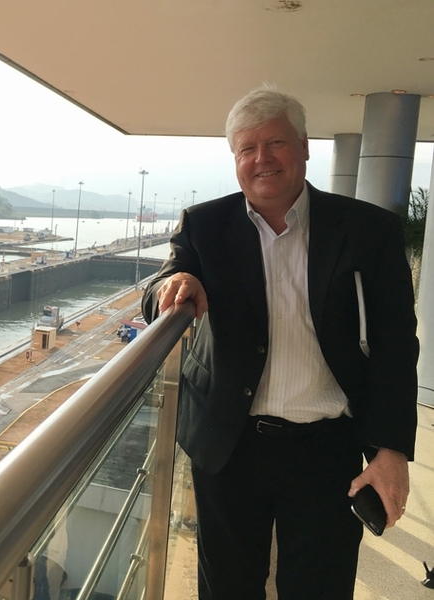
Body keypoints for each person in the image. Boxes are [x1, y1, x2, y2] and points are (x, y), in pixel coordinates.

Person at [142, 87, 418, 599]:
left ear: (306, 147)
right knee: (227, 587)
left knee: (320, 588)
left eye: (276, 143)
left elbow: (396, 344)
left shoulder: (368, 231)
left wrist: (392, 449)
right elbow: (160, 285)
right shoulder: (206, 225)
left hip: (327, 447)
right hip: (230, 443)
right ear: (235, 159)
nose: (261, 159)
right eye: (246, 149)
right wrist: (174, 286)